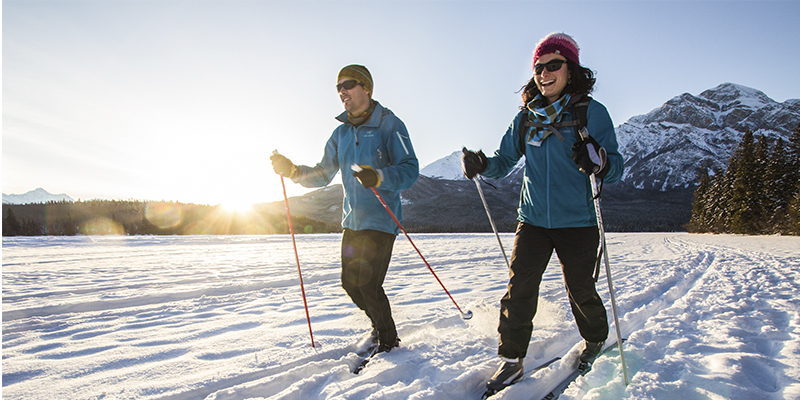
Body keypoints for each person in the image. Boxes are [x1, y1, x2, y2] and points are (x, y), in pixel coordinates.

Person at [462, 32, 624, 393]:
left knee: (581, 290)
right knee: (518, 291)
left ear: (571, 69)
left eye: (554, 65)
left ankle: (596, 339)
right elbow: (503, 161)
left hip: (578, 221)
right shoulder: (526, 118)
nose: (544, 72)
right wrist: (481, 163)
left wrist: (598, 159)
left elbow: (616, 167)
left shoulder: (590, 113)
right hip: (532, 219)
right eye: (539, 67)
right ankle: (510, 361)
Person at [271, 64, 419, 354]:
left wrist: (378, 176)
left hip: (381, 220)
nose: (342, 91)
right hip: (352, 221)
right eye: (338, 87)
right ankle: (380, 325)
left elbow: (410, 170)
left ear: (365, 87)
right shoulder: (340, 134)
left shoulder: (389, 124)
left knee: (369, 285)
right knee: (351, 284)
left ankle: (389, 343)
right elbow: (323, 173)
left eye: (348, 84)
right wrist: (291, 170)